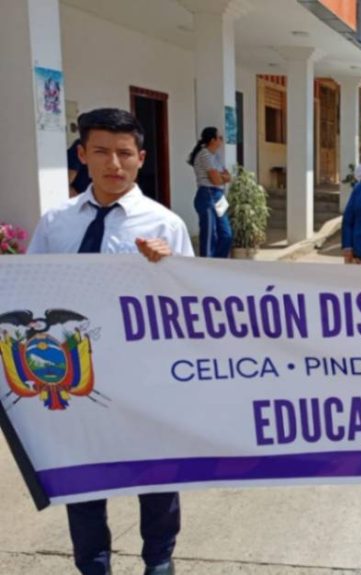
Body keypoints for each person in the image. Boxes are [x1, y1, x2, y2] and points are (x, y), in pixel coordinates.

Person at [28, 108, 191, 575]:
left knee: (156, 474)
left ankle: (159, 561)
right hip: (75, 375)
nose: (113, 164)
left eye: (124, 153)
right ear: (82, 155)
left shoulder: (165, 225)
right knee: (83, 478)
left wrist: (169, 268)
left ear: (141, 158)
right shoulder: (56, 223)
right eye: (101, 151)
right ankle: (93, 564)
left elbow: (191, 307)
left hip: (146, 376)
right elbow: (31, 287)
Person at [188, 126, 233, 258]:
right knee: (209, 235)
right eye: (220, 138)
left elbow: (228, 177)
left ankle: (219, 263)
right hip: (207, 195)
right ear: (212, 140)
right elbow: (216, 180)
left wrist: (221, 176)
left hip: (219, 196)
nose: (221, 140)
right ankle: (207, 264)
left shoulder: (216, 156)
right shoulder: (204, 154)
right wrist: (221, 177)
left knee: (226, 234)